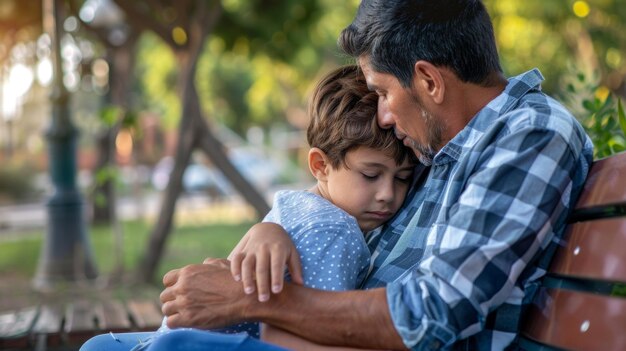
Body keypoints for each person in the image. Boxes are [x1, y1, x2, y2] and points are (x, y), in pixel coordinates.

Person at [158, 0, 594, 350]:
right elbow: (336, 187)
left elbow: (432, 314)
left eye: (383, 92)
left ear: (429, 81)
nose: (383, 116)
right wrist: (270, 230)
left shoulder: (530, 134)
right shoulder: (437, 147)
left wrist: (254, 299)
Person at [80, 65, 418, 351]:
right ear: (320, 165)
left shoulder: (297, 202)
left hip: (176, 333)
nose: (387, 194)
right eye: (371, 175)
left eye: (403, 179)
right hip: (219, 338)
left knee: (96, 346)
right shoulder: (335, 231)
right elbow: (299, 331)